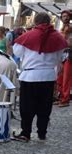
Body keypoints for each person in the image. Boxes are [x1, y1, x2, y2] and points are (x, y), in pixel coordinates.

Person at [12, 12, 68, 142]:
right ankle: (42, 132)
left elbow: (17, 52)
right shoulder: (57, 37)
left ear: (36, 22)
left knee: (26, 106)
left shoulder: (28, 35)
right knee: (45, 106)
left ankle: (26, 133)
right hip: (48, 76)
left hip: (30, 76)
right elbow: (61, 56)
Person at [56, 10, 72, 107]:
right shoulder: (61, 28)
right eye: (63, 16)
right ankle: (61, 96)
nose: (65, 18)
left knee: (66, 77)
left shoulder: (70, 28)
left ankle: (65, 99)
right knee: (60, 77)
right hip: (61, 54)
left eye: (67, 16)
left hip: (69, 53)